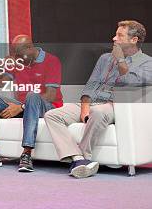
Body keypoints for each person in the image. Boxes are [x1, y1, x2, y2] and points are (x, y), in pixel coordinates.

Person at [44, 20, 152, 178]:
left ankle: (85, 156)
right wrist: (85, 105)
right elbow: (91, 83)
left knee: (99, 112)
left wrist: (121, 60)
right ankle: (78, 159)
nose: (114, 38)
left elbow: (128, 81)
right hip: (93, 102)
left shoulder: (147, 63)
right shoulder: (105, 58)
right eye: (115, 34)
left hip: (116, 105)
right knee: (52, 115)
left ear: (133, 40)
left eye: (119, 35)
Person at [0, 35, 63, 172]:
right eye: (15, 54)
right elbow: (0, 83)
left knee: (32, 96)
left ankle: (26, 154)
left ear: (29, 48)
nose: (16, 57)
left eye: (19, 54)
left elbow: (50, 95)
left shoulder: (51, 61)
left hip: (48, 108)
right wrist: (1, 66)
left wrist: (20, 107)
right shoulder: (18, 62)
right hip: (24, 105)